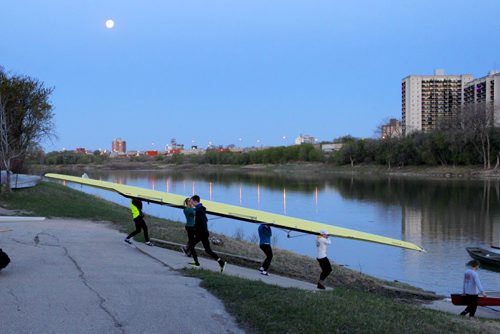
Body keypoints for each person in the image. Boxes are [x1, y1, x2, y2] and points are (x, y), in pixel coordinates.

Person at [188, 195, 226, 272]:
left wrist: (194, 229)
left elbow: (200, 222)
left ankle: (196, 263)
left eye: (191, 201)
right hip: (204, 233)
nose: (190, 202)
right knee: (208, 250)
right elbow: (204, 219)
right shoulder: (200, 208)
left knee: (191, 246)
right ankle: (221, 262)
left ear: (195, 201)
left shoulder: (198, 209)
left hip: (201, 233)